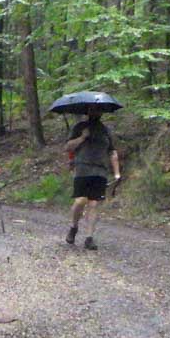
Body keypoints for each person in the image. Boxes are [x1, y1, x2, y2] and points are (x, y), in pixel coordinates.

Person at [64, 106, 120, 250]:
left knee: (93, 204)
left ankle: (89, 238)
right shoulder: (79, 127)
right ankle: (73, 227)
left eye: (99, 110)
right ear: (88, 111)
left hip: (100, 171)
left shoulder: (106, 130)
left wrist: (117, 172)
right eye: (93, 110)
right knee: (80, 201)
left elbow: (112, 152)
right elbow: (68, 147)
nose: (96, 113)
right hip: (82, 168)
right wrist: (82, 137)